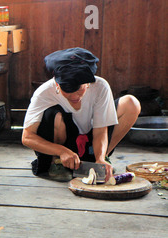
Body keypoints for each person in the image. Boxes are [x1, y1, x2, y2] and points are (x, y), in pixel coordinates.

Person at [22, 47, 140, 182]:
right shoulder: (43, 93)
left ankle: (100, 162)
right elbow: (27, 137)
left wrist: (100, 157)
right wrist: (61, 151)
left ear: (88, 83)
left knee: (131, 103)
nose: (74, 96)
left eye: (79, 90)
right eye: (67, 90)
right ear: (57, 84)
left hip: (90, 144)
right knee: (56, 116)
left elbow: (100, 131)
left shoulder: (100, 86)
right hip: (61, 146)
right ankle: (57, 164)